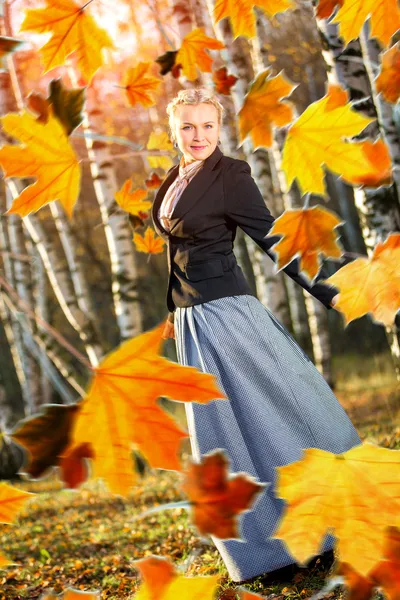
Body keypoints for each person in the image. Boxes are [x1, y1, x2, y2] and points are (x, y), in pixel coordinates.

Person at [151, 87, 361, 583]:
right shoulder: (174, 179)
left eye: (207, 126)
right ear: (174, 130)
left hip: (228, 315)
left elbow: (274, 238)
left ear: (219, 128)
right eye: (187, 126)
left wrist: (330, 292)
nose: (198, 135)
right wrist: (174, 312)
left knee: (280, 415)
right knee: (225, 437)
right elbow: (178, 250)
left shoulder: (231, 176)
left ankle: (336, 518)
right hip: (193, 320)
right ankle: (268, 552)